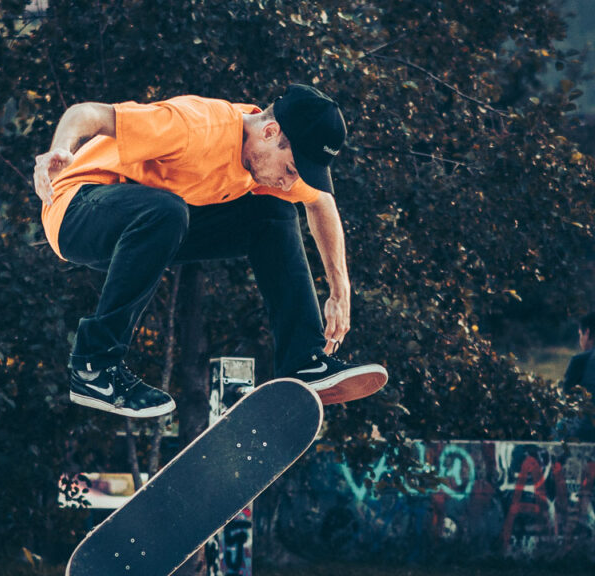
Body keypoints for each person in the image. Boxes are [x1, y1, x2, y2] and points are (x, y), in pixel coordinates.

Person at [33, 84, 387, 418]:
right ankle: (95, 366)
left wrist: (340, 292)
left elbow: (321, 204)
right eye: (290, 169)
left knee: (273, 212)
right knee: (167, 211)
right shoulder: (196, 126)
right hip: (77, 209)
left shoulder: (267, 162)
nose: (288, 182)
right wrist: (59, 150)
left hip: (147, 232)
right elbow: (88, 113)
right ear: (269, 132)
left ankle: (304, 359)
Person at [557, 313, 595, 442]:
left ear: (587, 332)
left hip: (586, 431)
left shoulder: (581, 360)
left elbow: (567, 397)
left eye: (580, 335)